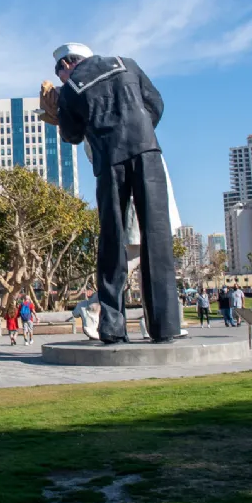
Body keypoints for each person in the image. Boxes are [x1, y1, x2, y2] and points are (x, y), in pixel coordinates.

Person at [46, 42, 180, 344]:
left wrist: (59, 114)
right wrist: (140, 133)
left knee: (112, 241)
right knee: (157, 236)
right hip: (147, 151)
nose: (59, 77)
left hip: (110, 161)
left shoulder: (71, 89)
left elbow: (72, 135)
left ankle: (113, 327)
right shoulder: (127, 63)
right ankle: (166, 325)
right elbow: (155, 103)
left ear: (68, 64)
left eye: (59, 71)